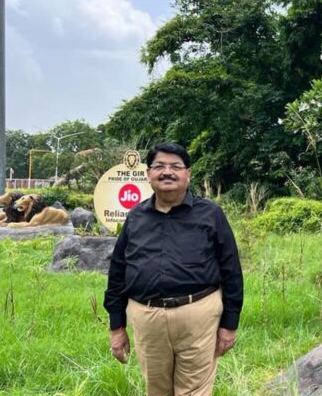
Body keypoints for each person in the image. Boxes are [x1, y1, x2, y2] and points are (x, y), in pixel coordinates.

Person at [104, 143, 243, 396]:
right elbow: (117, 271)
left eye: (175, 167)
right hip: (147, 318)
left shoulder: (210, 214)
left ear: (187, 174)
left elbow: (232, 270)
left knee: (194, 392)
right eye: (159, 166)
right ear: (148, 174)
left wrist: (229, 325)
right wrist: (116, 326)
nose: (167, 172)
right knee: (156, 390)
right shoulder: (136, 217)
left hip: (198, 316)